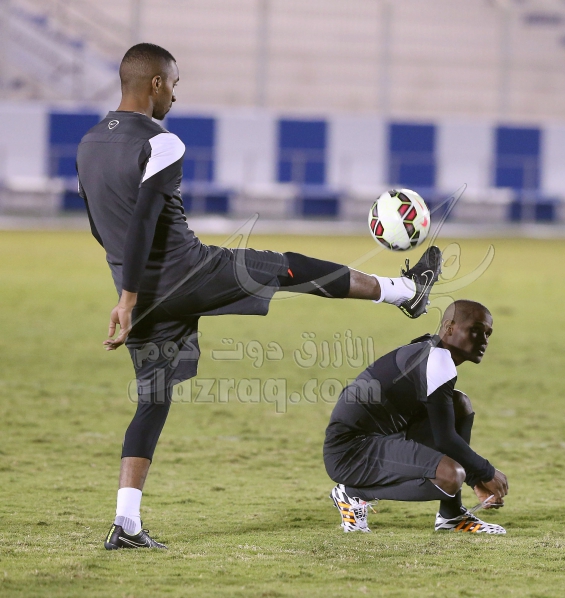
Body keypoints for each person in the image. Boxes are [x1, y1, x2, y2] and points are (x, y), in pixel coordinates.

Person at [76, 43, 443, 550]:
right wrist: (131, 293)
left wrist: (127, 291)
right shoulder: (163, 143)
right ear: (155, 83)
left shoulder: (88, 143)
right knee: (291, 267)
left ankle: (127, 523)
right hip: (187, 272)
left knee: (153, 400)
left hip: (141, 296)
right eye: (174, 85)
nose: (175, 97)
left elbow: (101, 227)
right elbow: (142, 222)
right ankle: (406, 292)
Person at [324, 300, 509, 534]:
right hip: (350, 452)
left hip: (383, 437)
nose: (483, 340)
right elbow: (445, 439)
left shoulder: (431, 351)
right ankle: (352, 494)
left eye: (488, 333)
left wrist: (475, 479)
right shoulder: (438, 360)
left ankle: (451, 516)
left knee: (459, 403)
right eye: (475, 330)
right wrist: (486, 473)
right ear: (449, 327)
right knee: (451, 475)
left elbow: (443, 429)